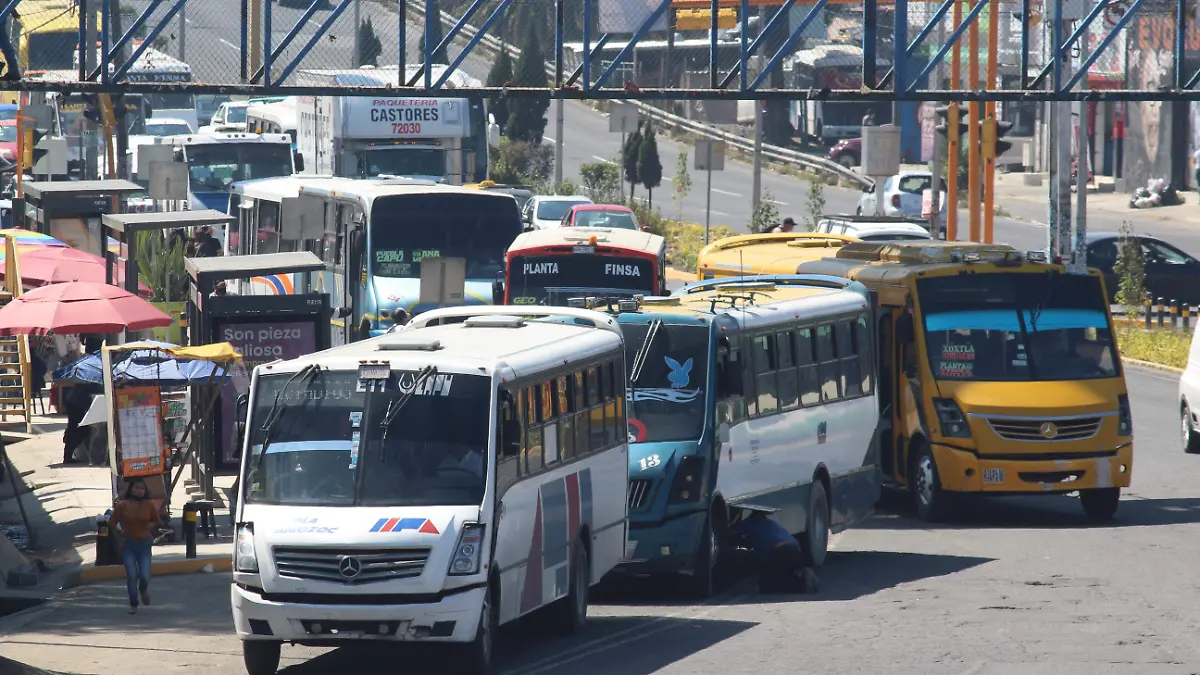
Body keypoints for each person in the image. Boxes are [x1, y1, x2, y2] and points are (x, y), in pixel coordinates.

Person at [109, 478, 163, 614]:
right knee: (132, 575)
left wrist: (150, 525)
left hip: (144, 544)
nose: (139, 491)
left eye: (142, 488)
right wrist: (118, 541)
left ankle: (143, 588)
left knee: (145, 574)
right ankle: (133, 604)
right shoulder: (122, 505)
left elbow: (158, 522)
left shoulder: (149, 505)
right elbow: (112, 524)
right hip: (128, 544)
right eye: (136, 488)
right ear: (131, 489)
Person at [731, 511, 816, 594]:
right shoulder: (772, 524)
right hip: (797, 550)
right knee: (786, 572)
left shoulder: (748, 523)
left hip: (781, 552)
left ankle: (801, 585)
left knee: (770, 584)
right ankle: (802, 573)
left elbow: (731, 532)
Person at [0, 8, 20, 82]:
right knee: (3, 40)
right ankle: (13, 70)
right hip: (3, 9)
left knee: (3, 40)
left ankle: (14, 71)